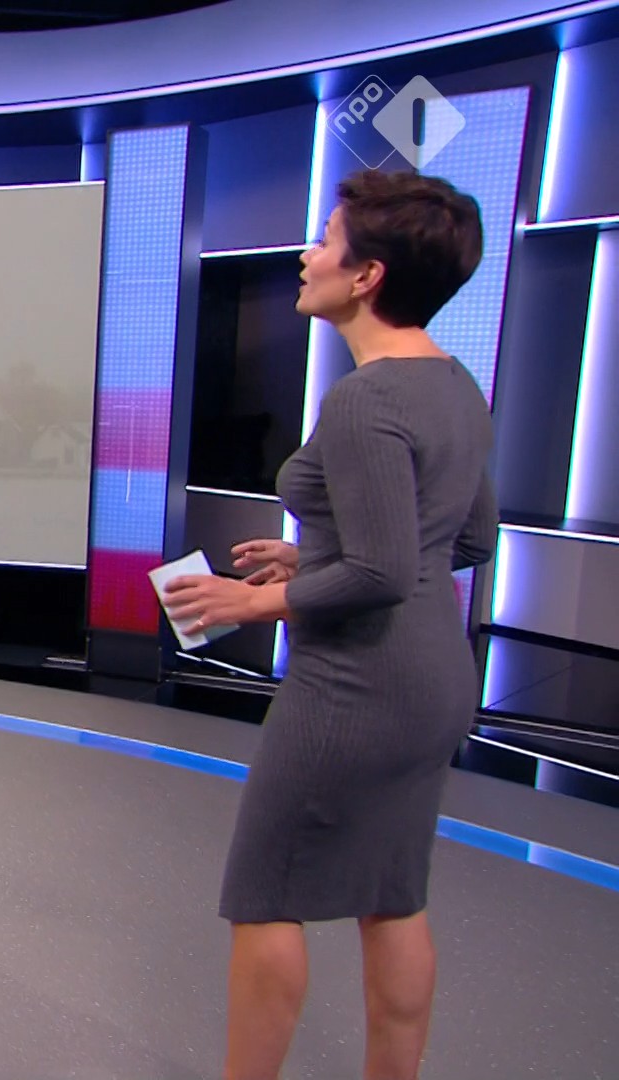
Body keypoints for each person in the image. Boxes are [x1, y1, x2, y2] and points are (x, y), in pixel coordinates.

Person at [162, 169, 498, 1080]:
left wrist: (255, 600)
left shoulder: (366, 397)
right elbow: (465, 540)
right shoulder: (455, 385)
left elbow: (384, 571)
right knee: (393, 893)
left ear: (367, 276)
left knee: (268, 895)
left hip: (356, 685)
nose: (307, 257)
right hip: (434, 679)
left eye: (324, 241)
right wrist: (314, 558)